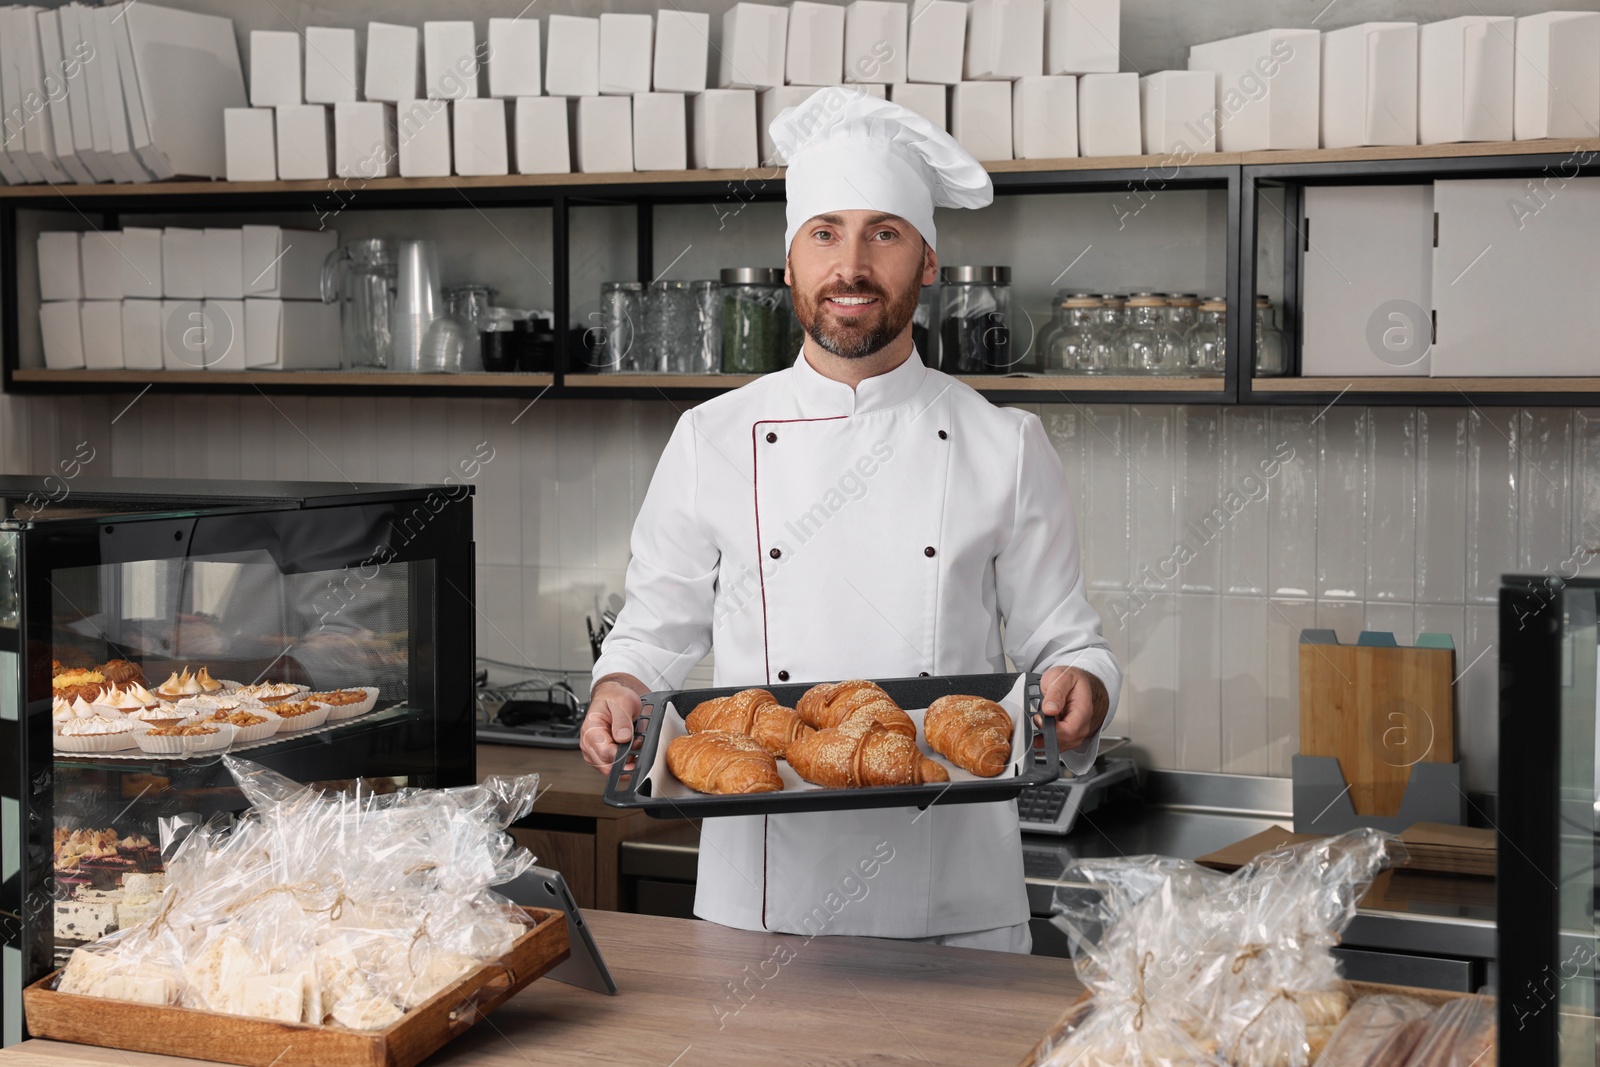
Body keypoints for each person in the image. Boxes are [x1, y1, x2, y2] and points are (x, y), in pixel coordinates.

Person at [581, 89, 1121, 953]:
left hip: (956, 906)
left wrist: (1082, 690)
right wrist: (617, 692)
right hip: (757, 904)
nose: (853, 266)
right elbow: (652, 635)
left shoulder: (1005, 443)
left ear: (928, 262)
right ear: (790, 263)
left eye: (885, 233)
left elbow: (1067, 642)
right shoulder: (708, 438)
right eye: (825, 233)